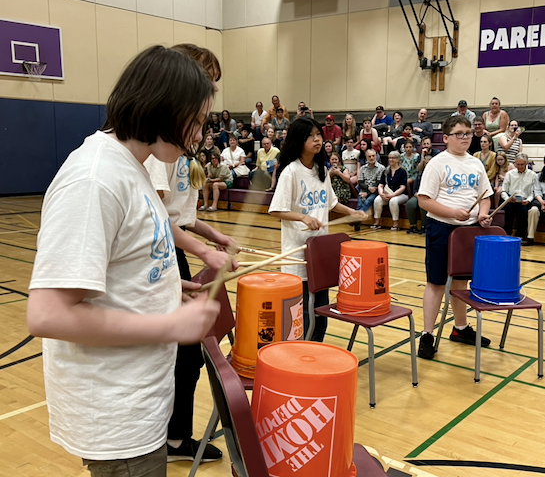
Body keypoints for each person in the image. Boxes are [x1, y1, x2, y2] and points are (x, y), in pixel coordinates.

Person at [27, 46, 221, 477]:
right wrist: (167, 325)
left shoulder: (133, 166)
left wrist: (168, 288)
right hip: (117, 415)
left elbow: (132, 255)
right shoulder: (94, 179)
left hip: (141, 402)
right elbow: (47, 314)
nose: (199, 135)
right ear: (165, 107)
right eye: (198, 120)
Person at [144, 43, 240, 466]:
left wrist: (213, 236)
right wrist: (203, 248)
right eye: (206, 81)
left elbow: (181, 216)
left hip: (174, 254)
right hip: (165, 253)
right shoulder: (152, 153)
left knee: (189, 353)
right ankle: (173, 435)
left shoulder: (182, 149)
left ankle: (174, 434)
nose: (211, 91)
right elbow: (161, 220)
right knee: (182, 353)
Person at [268, 118, 365, 342]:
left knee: (321, 313)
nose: (317, 139)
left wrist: (351, 212)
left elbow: (330, 203)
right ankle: (299, 354)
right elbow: (276, 210)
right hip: (297, 255)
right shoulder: (290, 172)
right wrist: (303, 216)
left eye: (319, 135)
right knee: (303, 315)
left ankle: (315, 351)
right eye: (311, 136)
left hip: (319, 252)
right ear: (298, 141)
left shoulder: (322, 169)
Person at [416, 115, 493, 360]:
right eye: (459, 134)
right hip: (441, 227)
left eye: (469, 133)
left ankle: (460, 329)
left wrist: (482, 214)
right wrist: (452, 213)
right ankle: (427, 334)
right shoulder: (437, 163)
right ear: (446, 137)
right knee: (436, 283)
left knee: (461, 283)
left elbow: (485, 196)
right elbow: (424, 200)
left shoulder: (476, 163)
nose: (465, 138)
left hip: (467, 231)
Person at [501, 153, 537, 243]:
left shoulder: (533, 175)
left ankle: (520, 235)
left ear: (526, 164)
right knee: (508, 208)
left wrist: (528, 200)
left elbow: (533, 192)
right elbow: (503, 191)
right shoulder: (509, 174)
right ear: (515, 164)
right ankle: (507, 233)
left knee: (524, 210)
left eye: (522, 164)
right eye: (518, 164)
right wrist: (507, 199)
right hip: (511, 200)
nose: (520, 167)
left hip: (525, 200)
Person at [371, 151, 408, 231]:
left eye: (393, 158)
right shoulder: (386, 171)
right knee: (377, 200)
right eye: (389, 158)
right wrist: (381, 193)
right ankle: (377, 222)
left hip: (401, 195)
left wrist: (393, 195)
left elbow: (402, 187)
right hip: (387, 194)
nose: (390, 159)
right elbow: (381, 184)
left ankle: (395, 224)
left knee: (393, 201)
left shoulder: (402, 171)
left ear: (398, 159)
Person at [356, 149, 385, 228]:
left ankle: (356, 220)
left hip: (375, 191)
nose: (372, 158)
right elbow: (360, 182)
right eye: (369, 156)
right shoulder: (362, 168)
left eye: (373, 156)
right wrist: (368, 189)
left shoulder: (381, 168)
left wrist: (368, 193)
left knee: (368, 201)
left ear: (376, 156)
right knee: (359, 204)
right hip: (364, 190)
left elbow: (379, 183)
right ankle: (357, 221)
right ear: (366, 158)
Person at [406, 165, 427, 235]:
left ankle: (424, 227)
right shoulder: (420, 174)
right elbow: (414, 189)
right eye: (426, 163)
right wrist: (416, 194)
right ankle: (413, 226)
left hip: (428, 196)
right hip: (418, 195)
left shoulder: (435, 174)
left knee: (423, 205)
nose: (427, 165)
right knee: (410, 204)